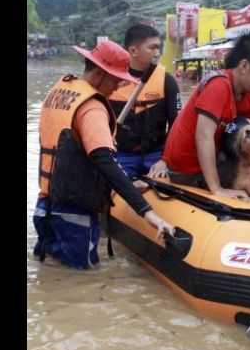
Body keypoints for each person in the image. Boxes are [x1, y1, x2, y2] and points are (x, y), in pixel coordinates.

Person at [33, 40, 175, 269]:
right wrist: (148, 213)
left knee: (52, 273)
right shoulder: (92, 107)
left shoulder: (60, 92)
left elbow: (72, 153)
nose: (119, 86)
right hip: (75, 215)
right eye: (116, 78)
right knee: (81, 282)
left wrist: (127, 180)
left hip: (46, 206)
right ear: (99, 73)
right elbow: (104, 160)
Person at [162, 33, 250, 203]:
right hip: (187, 171)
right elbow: (203, 136)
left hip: (216, 159)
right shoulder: (218, 85)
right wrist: (217, 188)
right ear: (244, 66)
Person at [108, 24, 183, 179]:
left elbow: (178, 125)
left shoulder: (167, 81)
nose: (158, 53)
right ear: (133, 51)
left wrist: (165, 159)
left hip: (156, 155)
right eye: (152, 48)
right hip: (122, 155)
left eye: (159, 48)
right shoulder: (111, 81)